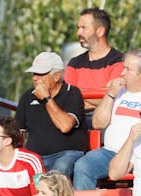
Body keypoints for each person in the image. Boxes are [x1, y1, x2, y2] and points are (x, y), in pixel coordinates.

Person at [76, 49, 141, 191]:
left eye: (128, 69)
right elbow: (98, 123)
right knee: (82, 166)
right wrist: (110, 94)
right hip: (109, 153)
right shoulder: (119, 92)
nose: (122, 73)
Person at [14, 52, 87, 181]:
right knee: (20, 171)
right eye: (34, 74)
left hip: (67, 154)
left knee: (60, 168)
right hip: (36, 157)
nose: (35, 78)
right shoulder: (27, 96)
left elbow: (65, 126)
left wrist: (46, 98)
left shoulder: (72, 93)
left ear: (56, 76)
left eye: (40, 74)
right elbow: (18, 132)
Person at [65, 7, 125, 103]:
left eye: (83, 28)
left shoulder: (120, 61)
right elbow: (67, 100)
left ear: (100, 31)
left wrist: (79, 100)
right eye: (78, 28)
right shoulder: (74, 64)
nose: (78, 32)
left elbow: (114, 99)